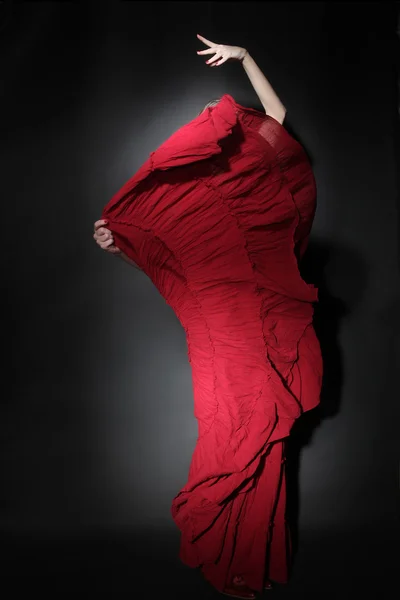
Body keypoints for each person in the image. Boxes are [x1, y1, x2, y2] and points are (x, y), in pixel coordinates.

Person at [93, 34, 323, 599]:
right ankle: (230, 558)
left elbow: (277, 116)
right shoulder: (194, 231)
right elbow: (171, 273)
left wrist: (246, 58)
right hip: (216, 343)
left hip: (257, 340)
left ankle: (252, 564)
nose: (226, 141)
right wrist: (123, 247)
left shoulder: (253, 216)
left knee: (266, 443)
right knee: (227, 437)